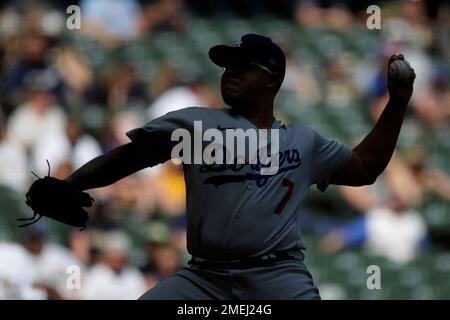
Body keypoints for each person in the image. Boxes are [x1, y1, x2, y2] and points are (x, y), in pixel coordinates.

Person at [64, 34, 415, 299]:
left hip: (277, 276)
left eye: (243, 66)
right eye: (227, 65)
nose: (230, 71)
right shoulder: (195, 125)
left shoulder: (303, 142)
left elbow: (366, 167)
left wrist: (397, 103)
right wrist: (70, 185)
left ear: (272, 80)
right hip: (203, 279)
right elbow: (130, 157)